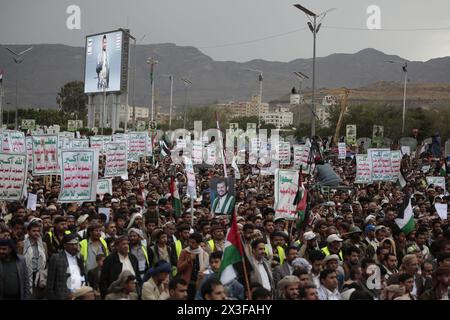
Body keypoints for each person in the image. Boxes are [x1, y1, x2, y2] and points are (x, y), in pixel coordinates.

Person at [46, 233, 86, 300]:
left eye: (76, 244)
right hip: (62, 295)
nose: (74, 247)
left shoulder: (79, 257)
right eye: (71, 244)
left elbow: (83, 275)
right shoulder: (56, 258)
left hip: (78, 294)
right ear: (65, 245)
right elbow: (50, 282)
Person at [176, 232, 209, 300]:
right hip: (187, 284)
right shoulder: (184, 252)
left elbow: (207, 269)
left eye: (193, 243)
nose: (190, 244)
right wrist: (188, 260)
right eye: (189, 242)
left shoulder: (204, 254)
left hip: (199, 284)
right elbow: (179, 268)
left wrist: (203, 272)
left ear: (198, 243)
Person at [22, 220, 47, 299]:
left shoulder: (43, 244)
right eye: (34, 231)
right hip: (26, 274)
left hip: (40, 276)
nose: (36, 233)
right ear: (28, 231)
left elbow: (46, 259)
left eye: (38, 231)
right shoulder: (22, 244)